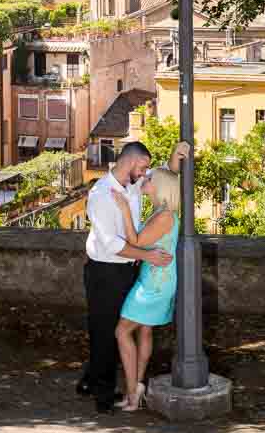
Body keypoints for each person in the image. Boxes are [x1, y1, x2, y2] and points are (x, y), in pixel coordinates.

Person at [77, 140, 189, 414]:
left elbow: (167, 178)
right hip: (105, 270)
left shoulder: (136, 183)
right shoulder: (101, 194)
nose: (146, 172)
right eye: (144, 166)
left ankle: (92, 380)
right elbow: (111, 244)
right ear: (131, 161)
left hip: (130, 270)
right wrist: (147, 256)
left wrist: (176, 154)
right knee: (105, 332)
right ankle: (103, 397)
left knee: (118, 328)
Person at [112, 168, 180, 411]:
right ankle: (137, 387)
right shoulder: (161, 213)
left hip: (155, 282)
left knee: (122, 331)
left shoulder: (165, 216)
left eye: (150, 179)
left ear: (161, 187)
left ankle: (132, 392)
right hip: (154, 277)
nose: (144, 180)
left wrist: (123, 210)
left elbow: (136, 242)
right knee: (144, 330)